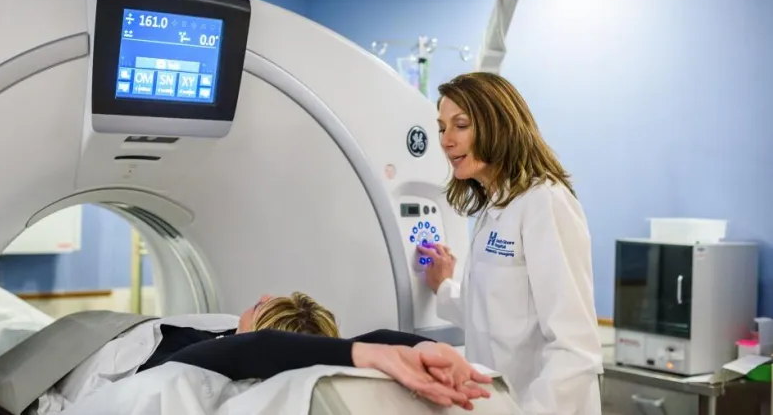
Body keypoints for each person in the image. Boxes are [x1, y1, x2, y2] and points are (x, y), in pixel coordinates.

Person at [418, 72, 604, 415]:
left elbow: (575, 348)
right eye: (442, 127)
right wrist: (444, 286)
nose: (446, 140)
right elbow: (497, 311)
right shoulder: (495, 208)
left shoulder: (544, 202)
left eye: (460, 125)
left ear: (497, 125)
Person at [33, 292, 492, 415]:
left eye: (260, 305)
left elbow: (259, 349)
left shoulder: (211, 357)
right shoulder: (222, 334)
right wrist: (426, 345)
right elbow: (366, 334)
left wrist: (370, 356)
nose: (262, 294)